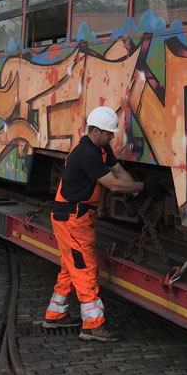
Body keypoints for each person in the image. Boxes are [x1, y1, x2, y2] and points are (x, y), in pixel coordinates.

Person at [43, 106, 143, 342]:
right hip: (73, 219)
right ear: (96, 131)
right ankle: (93, 325)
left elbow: (118, 172)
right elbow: (114, 185)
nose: (112, 137)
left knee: (71, 268)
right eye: (109, 133)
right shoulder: (86, 154)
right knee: (85, 269)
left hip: (72, 216)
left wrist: (135, 189)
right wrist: (142, 188)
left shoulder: (100, 148)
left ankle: (55, 314)